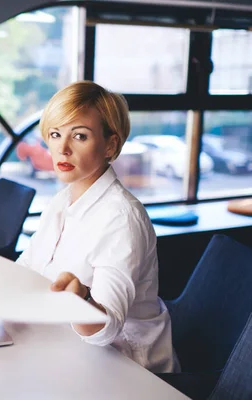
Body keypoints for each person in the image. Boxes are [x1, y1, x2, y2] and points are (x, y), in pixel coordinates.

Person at [16, 81, 180, 373]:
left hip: (129, 369)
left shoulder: (122, 218)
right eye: (55, 134)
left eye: (80, 136)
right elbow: (26, 267)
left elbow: (107, 328)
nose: (62, 148)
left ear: (110, 145)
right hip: (65, 347)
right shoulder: (60, 202)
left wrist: (81, 300)